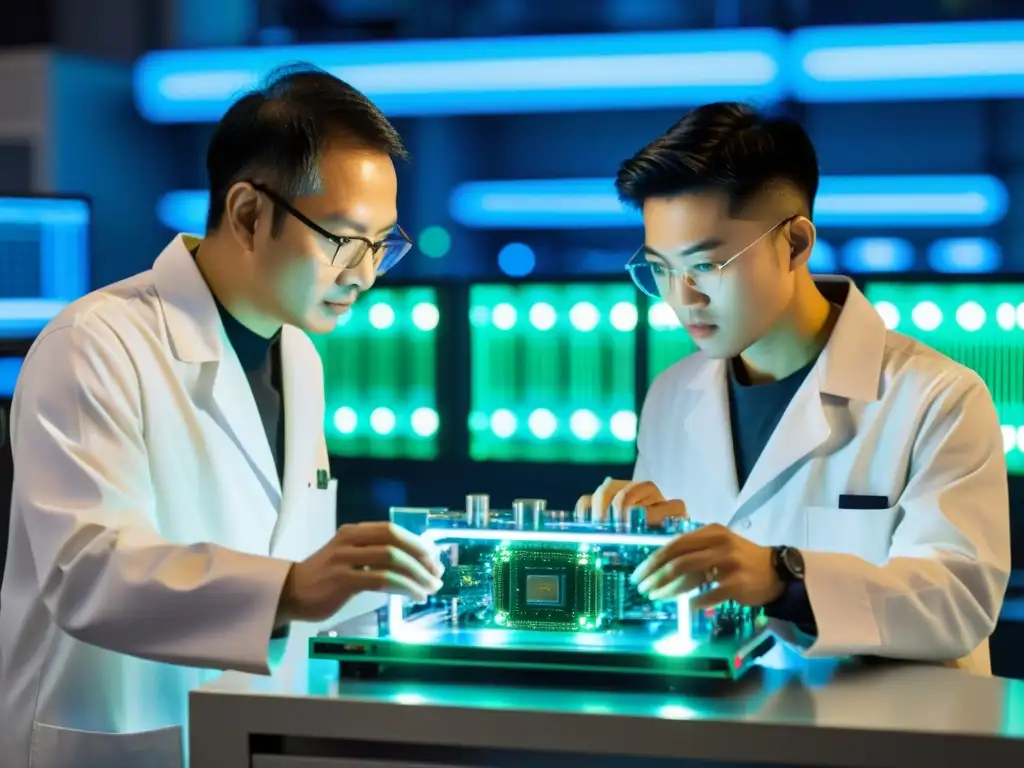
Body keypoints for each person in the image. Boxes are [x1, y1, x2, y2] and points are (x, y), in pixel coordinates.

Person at [0, 65, 445, 768]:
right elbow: (87, 574)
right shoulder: (92, 343)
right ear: (246, 214)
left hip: (246, 734)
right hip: (115, 742)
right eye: (343, 241)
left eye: (382, 246)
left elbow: (281, 554)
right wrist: (292, 589)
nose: (364, 273)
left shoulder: (298, 354)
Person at [577, 102, 1010, 674]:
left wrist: (783, 578)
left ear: (797, 244)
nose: (683, 299)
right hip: (718, 729)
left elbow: (958, 602)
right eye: (659, 268)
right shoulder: (672, 395)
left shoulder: (938, 398)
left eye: (706, 266)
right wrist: (630, 548)